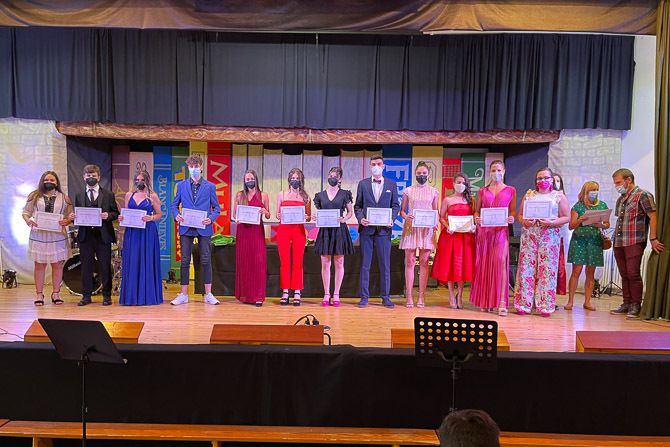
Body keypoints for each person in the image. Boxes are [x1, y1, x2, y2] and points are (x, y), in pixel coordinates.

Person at [513, 167, 570, 317]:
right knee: (526, 269)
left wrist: (552, 222)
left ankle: (545, 305)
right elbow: (520, 215)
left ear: (551, 180)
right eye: (539, 178)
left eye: (546, 178)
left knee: (547, 270)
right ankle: (523, 304)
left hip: (549, 235)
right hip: (530, 235)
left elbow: (567, 217)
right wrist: (524, 221)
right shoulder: (529, 195)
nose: (542, 180)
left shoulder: (558, 196)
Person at [610, 168, 664, 318]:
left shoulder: (643, 195)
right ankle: (626, 302)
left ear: (628, 180)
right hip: (619, 241)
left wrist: (653, 238)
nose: (617, 186)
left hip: (634, 240)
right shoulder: (621, 199)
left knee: (633, 273)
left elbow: (653, 216)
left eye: (618, 182)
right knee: (624, 274)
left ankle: (635, 304)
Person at [170, 154, 221, 305]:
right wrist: (177, 215)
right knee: (185, 260)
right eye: (191, 167)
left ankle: (208, 294)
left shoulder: (210, 186)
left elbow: (216, 208)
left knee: (205, 259)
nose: (194, 169)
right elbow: (174, 205)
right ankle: (183, 294)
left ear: (201, 167)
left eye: (196, 166)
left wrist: (210, 218)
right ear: (188, 168)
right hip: (186, 227)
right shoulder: (181, 186)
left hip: (203, 226)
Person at [68, 164, 119, 306]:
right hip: (86, 236)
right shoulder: (79, 195)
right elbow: (78, 215)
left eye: (93, 176)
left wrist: (108, 215)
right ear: (84, 177)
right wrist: (72, 217)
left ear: (99, 177)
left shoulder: (108, 194)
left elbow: (116, 213)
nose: (91, 178)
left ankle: (107, 296)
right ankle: (86, 296)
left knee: (105, 266)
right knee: (86, 267)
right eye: (88, 176)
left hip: (103, 236)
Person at [470, 160, 516, 315]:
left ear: (504, 171)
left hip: (501, 231)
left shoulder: (510, 190)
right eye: (493, 170)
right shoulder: (482, 191)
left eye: (499, 170)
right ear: (489, 172)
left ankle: (502, 301)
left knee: (500, 262)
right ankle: (486, 301)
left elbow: (513, 211)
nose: (496, 173)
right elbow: (477, 211)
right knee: (484, 265)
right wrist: (476, 217)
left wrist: (511, 218)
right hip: (485, 232)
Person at [354, 155, 400, 308]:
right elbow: (357, 206)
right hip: (366, 231)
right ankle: (364, 297)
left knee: (384, 265)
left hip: (384, 231)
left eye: (379, 164)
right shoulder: (363, 184)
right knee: (365, 265)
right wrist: (360, 218)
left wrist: (392, 219)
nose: (376, 166)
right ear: (370, 166)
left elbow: (395, 206)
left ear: (383, 166)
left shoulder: (392, 184)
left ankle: (385, 297)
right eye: (373, 164)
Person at [22, 171, 72, 306]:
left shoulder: (65, 198)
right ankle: (39, 294)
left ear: (56, 182)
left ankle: (56, 293)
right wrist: (28, 220)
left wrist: (67, 221)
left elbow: (70, 215)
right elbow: (26, 213)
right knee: (39, 265)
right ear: (42, 181)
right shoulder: (34, 195)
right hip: (39, 235)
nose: (49, 182)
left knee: (57, 265)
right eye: (46, 180)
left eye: (52, 180)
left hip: (57, 235)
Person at [118, 170, 163, 306]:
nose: (139, 182)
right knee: (132, 260)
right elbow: (126, 213)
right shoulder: (129, 195)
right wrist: (122, 218)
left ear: (147, 180)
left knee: (146, 260)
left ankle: (147, 295)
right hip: (132, 232)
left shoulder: (152, 196)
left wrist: (151, 218)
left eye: (142, 180)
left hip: (147, 232)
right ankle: (131, 296)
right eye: (137, 180)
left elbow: (159, 214)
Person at [431, 172, 476, 309]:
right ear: (453, 184)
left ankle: (460, 295)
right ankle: (451, 294)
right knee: (450, 265)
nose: (460, 185)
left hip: (465, 237)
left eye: (463, 183)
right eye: (458, 182)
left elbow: (474, 216)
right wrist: (447, 226)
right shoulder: (447, 199)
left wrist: (473, 226)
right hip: (450, 236)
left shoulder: (471, 200)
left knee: (462, 266)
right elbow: (441, 217)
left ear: (466, 185)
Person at [399, 161, 439, 308]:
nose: (421, 175)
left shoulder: (434, 191)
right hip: (411, 228)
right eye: (419, 173)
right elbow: (402, 211)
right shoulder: (408, 191)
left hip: (426, 229)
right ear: (415, 174)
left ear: (428, 174)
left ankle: (421, 296)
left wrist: (435, 223)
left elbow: (435, 211)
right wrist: (406, 217)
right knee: (410, 261)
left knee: (424, 262)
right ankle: (409, 296)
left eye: (424, 173)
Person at [313, 166, 354, 307]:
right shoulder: (320, 195)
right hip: (325, 231)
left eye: (335, 176)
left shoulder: (345, 194)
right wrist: (315, 217)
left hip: (339, 230)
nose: (332, 178)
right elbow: (319, 213)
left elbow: (350, 212)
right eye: (330, 175)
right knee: (325, 262)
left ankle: (336, 293)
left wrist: (345, 218)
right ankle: (326, 293)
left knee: (339, 262)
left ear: (340, 179)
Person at [566, 181, 609, 311]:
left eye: (596, 189)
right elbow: (571, 226)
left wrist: (601, 225)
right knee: (576, 271)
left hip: (594, 241)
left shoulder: (602, 205)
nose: (594, 192)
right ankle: (570, 301)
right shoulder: (578, 206)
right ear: (585, 192)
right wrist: (580, 220)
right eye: (592, 190)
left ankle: (587, 302)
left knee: (590, 273)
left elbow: (607, 224)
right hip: (579, 240)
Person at [233, 169, 270, 307]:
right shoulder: (239, 195)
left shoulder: (263, 195)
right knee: (245, 263)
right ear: (244, 181)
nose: (250, 181)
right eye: (247, 179)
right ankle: (245, 295)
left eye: (251, 178)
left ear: (256, 179)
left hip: (257, 232)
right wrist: (237, 218)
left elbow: (268, 215)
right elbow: (234, 214)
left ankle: (258, 296)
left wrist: (265, 211)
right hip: (243, 232)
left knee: (258, 263)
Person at [276, 168, 311, 306]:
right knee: (284, 262)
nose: (295, 180)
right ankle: (285, 291)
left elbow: (308, 217)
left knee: (298, 261)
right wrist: (278, 215)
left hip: (298, 231)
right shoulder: (281, 195)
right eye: (293, 178)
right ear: (289, 179)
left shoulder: (305, 197)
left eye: (297, 178)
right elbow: (277, 214)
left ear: (301, 180)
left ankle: (297, 291)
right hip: (283, 231)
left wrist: (307, 217)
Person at [553, 172, 568, 297]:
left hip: (558, 235)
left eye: (558, 181)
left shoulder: (561, 197)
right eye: (553, 181)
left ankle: (552, 294)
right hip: (544, 234)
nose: (555, 183)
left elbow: (565, 217)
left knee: (557, 266)